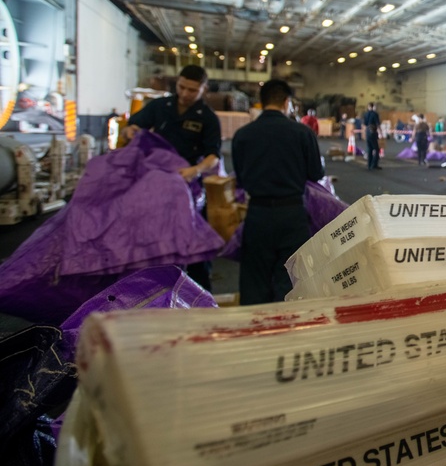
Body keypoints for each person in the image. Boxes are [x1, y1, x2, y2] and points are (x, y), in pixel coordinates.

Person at [125, 65, 221, 291]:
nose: (186, 94)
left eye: (192, 90)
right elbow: (134, 124)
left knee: (194, 247)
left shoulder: (207, 118)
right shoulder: (160, 106)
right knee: (152, 241)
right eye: (182, 87)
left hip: (187, 189)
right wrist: (130, 131)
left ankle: (199, 297)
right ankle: (151, 292)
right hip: (155, 186)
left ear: (203, 89)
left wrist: (195, 170)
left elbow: (213, 156)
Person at [232, 80, 325, 304]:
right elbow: (315, 173)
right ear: (287, 102)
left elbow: (241, 179)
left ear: (261, 103)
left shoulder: (243, 135)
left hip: (258, 214)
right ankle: (288, 332)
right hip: (292, 214)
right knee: (292, 280)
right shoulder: (303, 133)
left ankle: (255, 332)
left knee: (255, 280)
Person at [363, 102, 381, 170]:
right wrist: (381, 133)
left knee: (369, 148)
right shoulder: (375, 114)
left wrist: (364, 133)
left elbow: (364, 124)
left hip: (367, 131)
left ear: (368, 107)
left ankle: (369, 164)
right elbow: (378, 124)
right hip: (373, 131)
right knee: (376, 149)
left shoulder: (365, 114)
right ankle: (374, 164)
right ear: (373, 107)